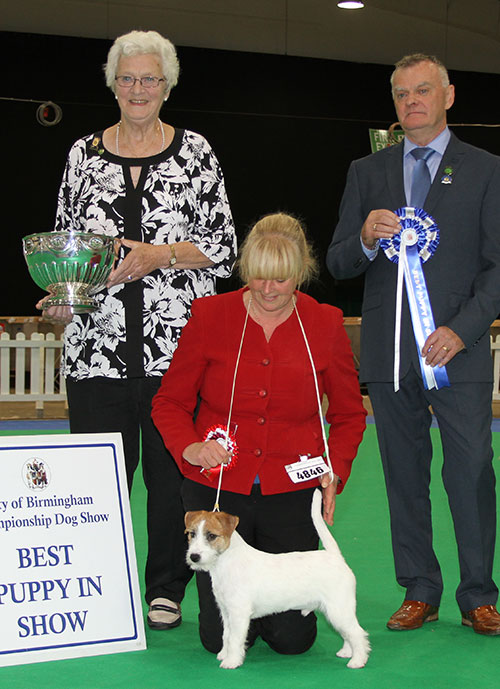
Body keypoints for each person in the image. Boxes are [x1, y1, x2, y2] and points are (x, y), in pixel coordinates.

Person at [38, 30, 237, 631]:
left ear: (168, 86)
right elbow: (64, 248)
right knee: (93, 476)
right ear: (113, 83)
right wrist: (61, 299)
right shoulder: (81, 155)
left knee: (172, 476)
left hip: (177, 352)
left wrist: (162, 254)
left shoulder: (197, 153)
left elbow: (224, 252)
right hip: (95, 351)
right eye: (128, 78)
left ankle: (166, 586)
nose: (139, 89)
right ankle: (94, 585)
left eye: (151, 79)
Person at [327, 53, 500, 635]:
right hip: (388, 353)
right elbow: (337, 262)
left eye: (423, 91)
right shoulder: (365, 171)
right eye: (401, 94)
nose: (412, 102)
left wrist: (461, 330)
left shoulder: (487, 169)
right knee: (403, 473)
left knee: (472, 469)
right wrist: (366, 238)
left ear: (449, 95)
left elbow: (498, 268)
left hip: (460, 352)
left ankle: (477, 592)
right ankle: (419, 588)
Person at [152, 212, 366, 655]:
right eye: (258, 279)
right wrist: (191, 447)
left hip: (289, 490)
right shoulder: (210, 315)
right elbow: (168, 402)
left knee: (292, 640)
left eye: (281, 280)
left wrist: (334, 472)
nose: (268, 291)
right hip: (216, 490)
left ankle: (281, 625)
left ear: (302, 273)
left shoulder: (324, 323)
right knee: (219, 638)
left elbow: (348, 414)